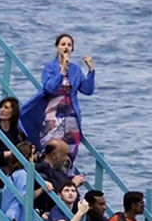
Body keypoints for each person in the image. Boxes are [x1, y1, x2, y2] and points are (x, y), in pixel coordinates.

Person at [19, 32, 95, 165]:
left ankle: (67, 178)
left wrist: (91, 71)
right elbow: (50, 88)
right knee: (51, 149)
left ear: (72, 49)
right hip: (53, 114)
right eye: (63, 44)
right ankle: (49, 177)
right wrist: (62, 71)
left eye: (69, 45)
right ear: (57, 47)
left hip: (71, 116)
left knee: (69, 153)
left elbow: (87, 90)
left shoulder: (76, 69)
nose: (66, 47)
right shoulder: (50, 67)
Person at [0, 141, 52, 221]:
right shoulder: (22, 174)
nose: (35, 157)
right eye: (32, 155)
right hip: (16, 218)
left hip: (19, 215)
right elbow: (25, 198)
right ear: (26, 157)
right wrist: (43, 188)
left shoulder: (17, 173)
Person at [34, 137, 86, 214]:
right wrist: (73, 185)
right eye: (64, 155)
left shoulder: (57, 170)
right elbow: (54, 193)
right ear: (54, 155)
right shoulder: (43, 172)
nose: (66, 158)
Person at [0, 96, 27, 186]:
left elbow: (23, 146)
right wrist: (11, 153)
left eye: (6, 108)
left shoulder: (16, 130)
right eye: (1, 107)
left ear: (13, 112)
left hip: (13, 165)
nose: (2, 110)